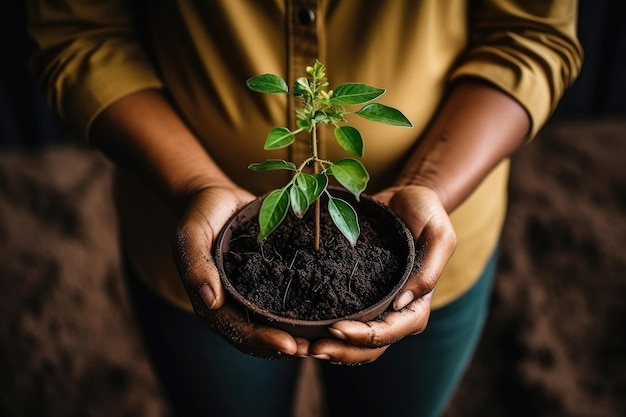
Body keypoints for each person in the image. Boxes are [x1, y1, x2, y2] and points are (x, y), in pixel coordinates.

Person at [26, 1, 582, 416]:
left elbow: (532, 33)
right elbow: (80, 34)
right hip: (199, 245)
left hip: (430, 240)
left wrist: (429, 181)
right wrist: (195, 183)